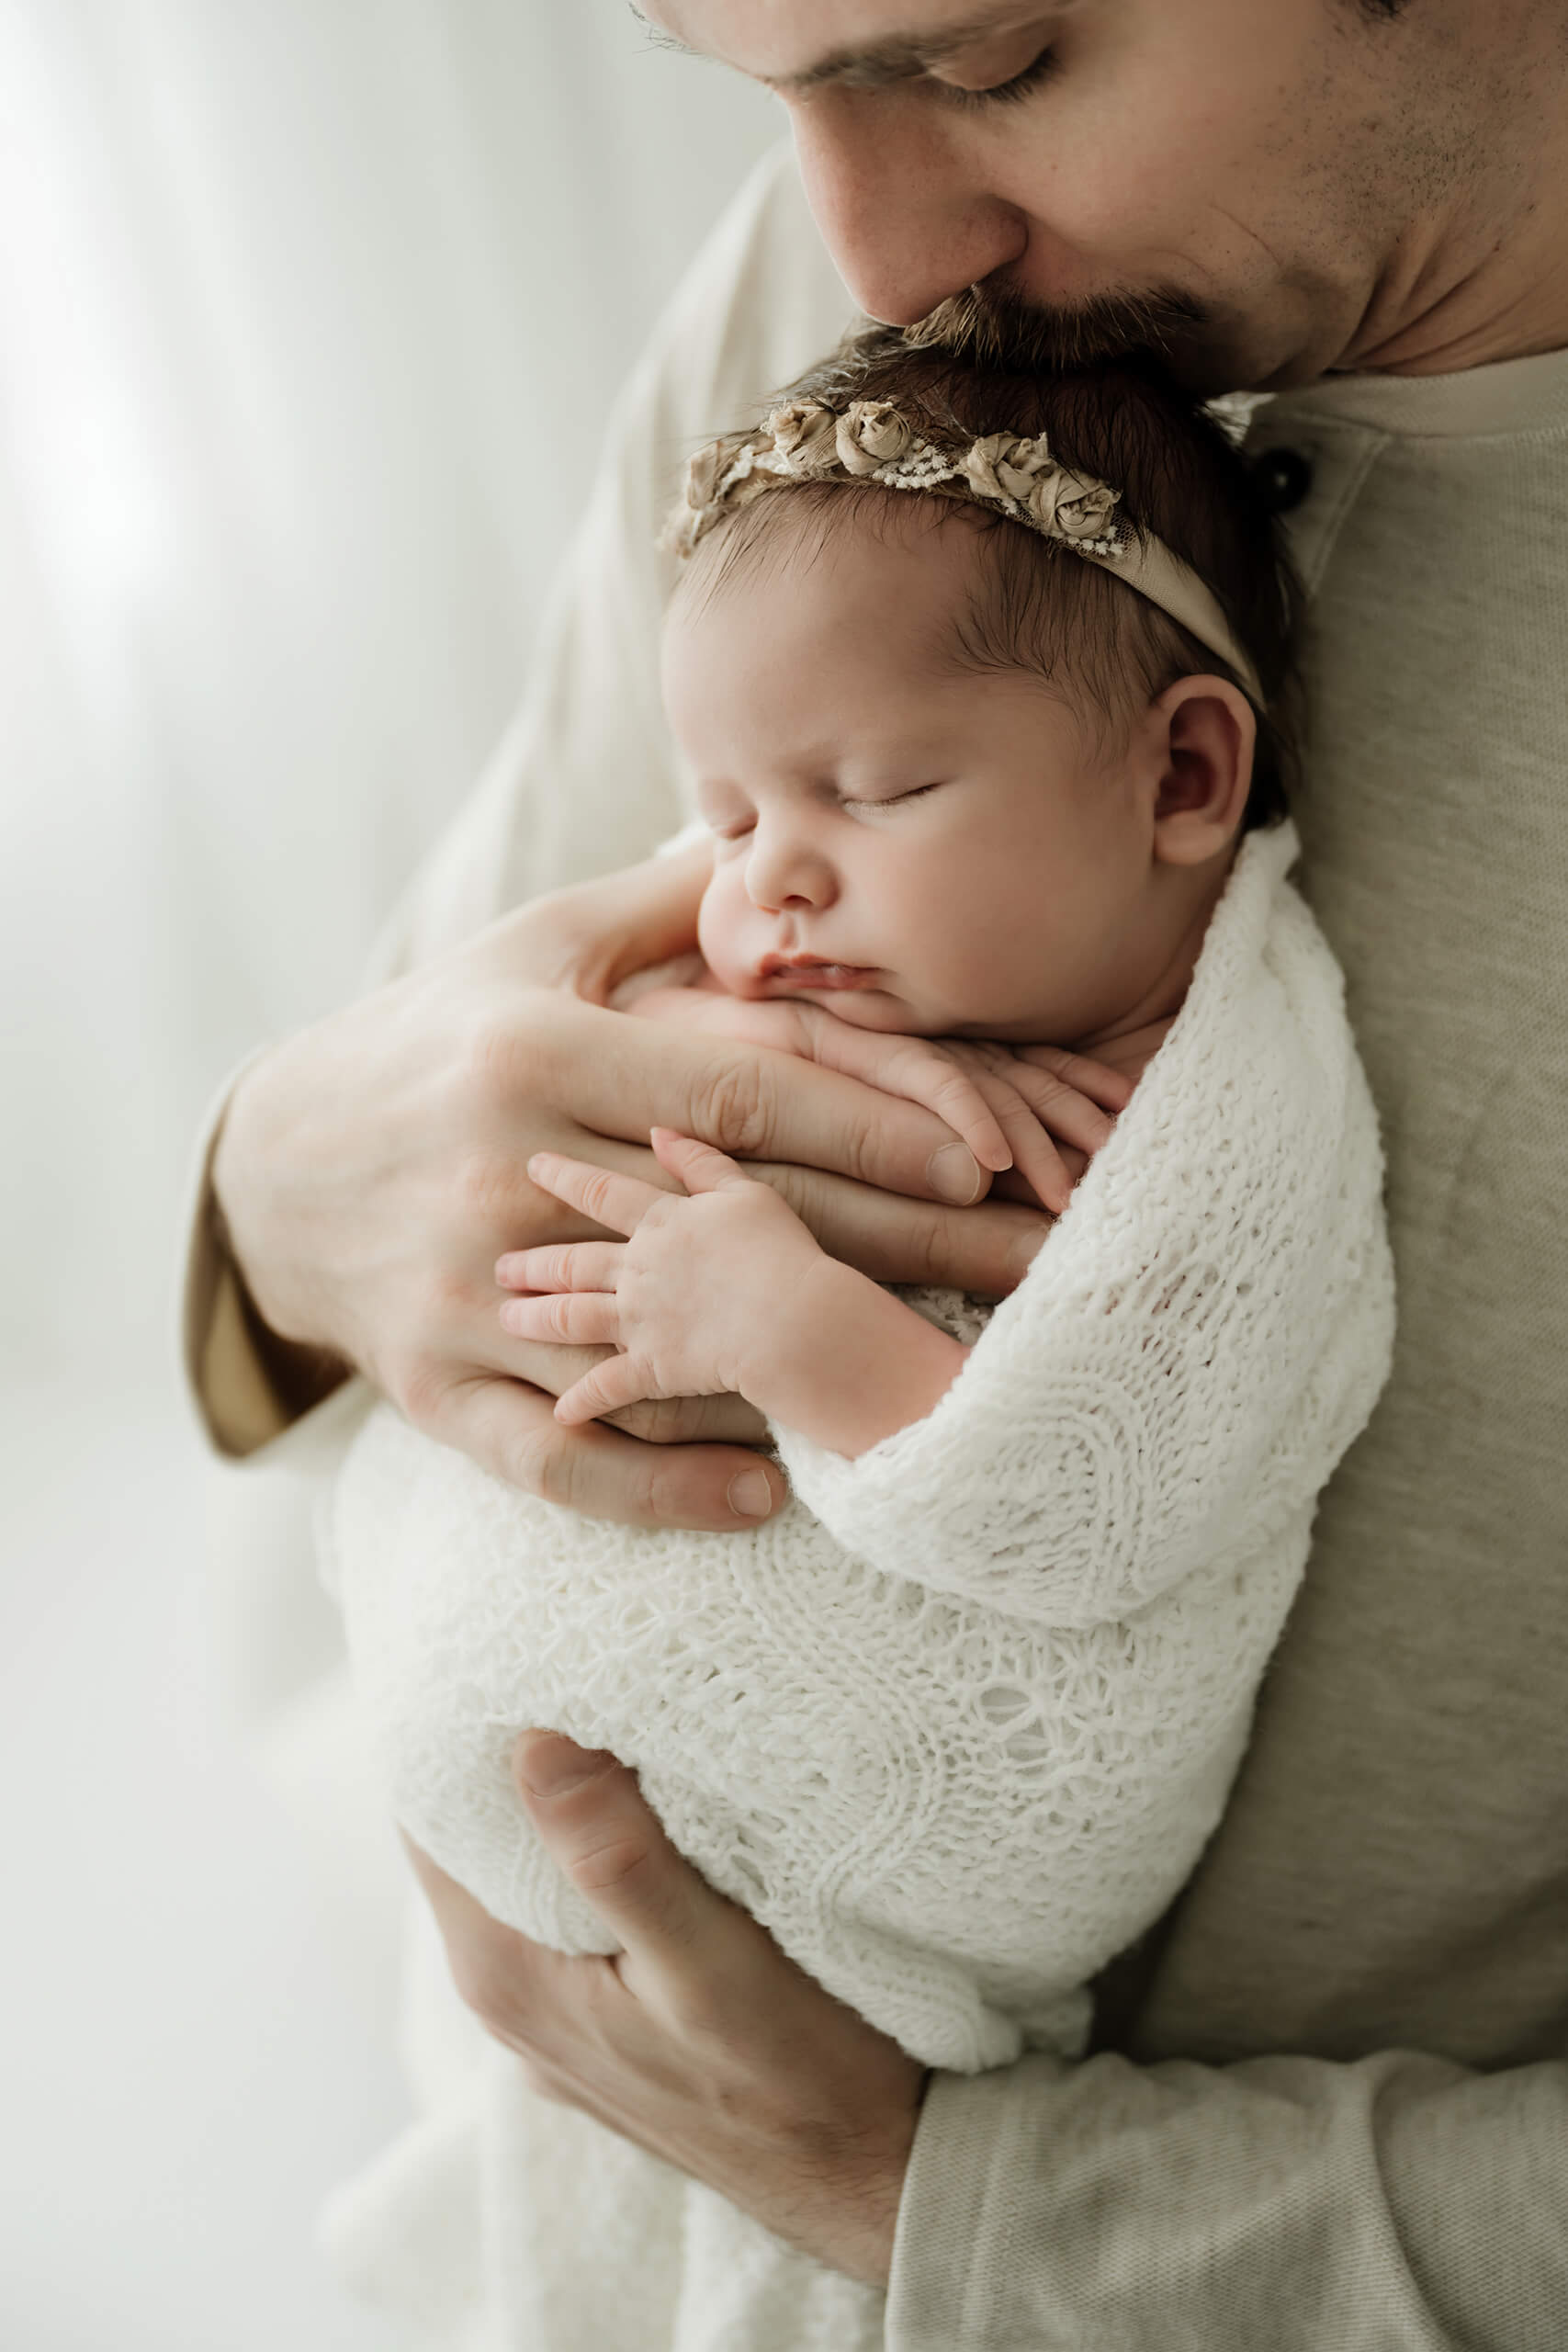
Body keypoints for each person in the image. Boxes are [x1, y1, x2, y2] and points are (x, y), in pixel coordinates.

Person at [187, 2, 1568, 2343]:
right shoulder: (900, 314)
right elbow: (356, 1205)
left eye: (999, 60)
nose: (870, 246)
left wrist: (941, 2198)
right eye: (767, 89)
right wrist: (269, 1184)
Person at [321, 334, 1392, 2347]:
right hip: (510, 1857)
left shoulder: (1236, 1093)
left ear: (1179, 777)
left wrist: (793, 1327)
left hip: (851, 1901)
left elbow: (1103, 1489)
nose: (767, 870)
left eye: (873, 787)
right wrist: (708, 1033)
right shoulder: (766, 946)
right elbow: (464, 1132)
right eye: (723, 809)